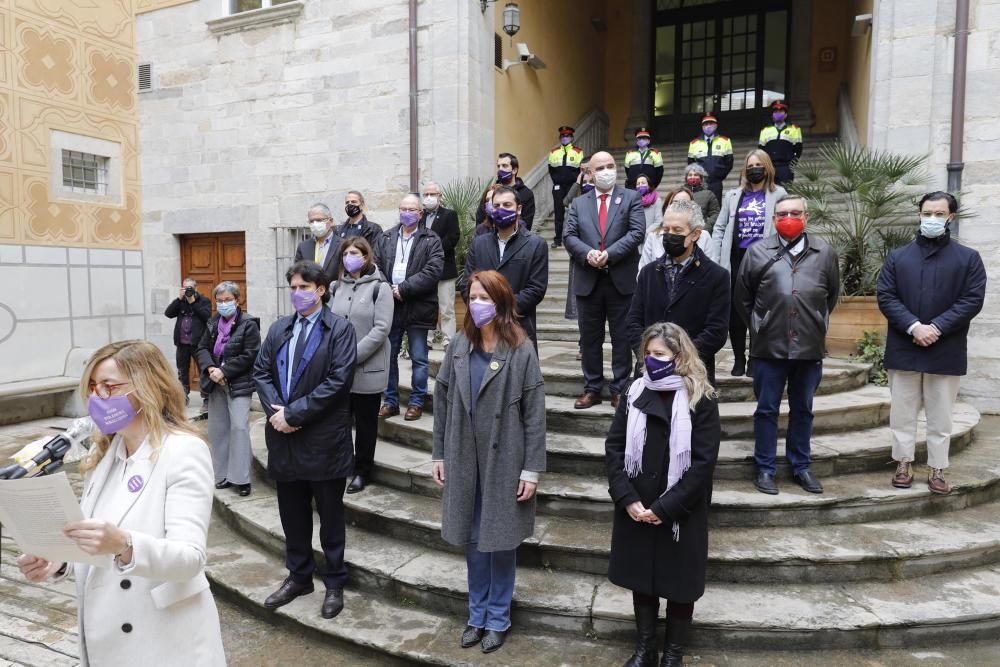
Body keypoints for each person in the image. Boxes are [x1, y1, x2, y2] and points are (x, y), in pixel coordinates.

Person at [17, 340, 226, 666]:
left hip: (163, 642)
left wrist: (126, 545)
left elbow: (190, 558)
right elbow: (92, 540)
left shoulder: (183, 451)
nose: (98, 397)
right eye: (93, 387)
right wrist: (57, 562)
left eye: (110, 386)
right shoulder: (103, 456)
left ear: (148, 387)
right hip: (106, 635)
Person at [431, 270, 546, 654]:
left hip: (505, 461)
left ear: (501, 302)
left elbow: (534, 414)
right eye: (472, 297)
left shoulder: (521, 349)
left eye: (484, 297)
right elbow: (442, 400)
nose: (477, 304)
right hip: (466, 459)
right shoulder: (460, 346)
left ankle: (498, 618)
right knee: (474, 542)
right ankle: (475, 614)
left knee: (501, 543)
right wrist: (440, 453)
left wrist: (531, 469)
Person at [605, 322, 721, 667]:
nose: (652, 360)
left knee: (679, 582)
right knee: (642, 576)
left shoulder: (702, 397)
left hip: (679, 510)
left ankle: (673, 655)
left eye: (660, 354)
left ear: (679, 356)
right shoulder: (634, 391)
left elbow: (703, 463)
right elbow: (614, 447)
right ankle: (644, 650)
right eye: (648, 354)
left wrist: (666, 507)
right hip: (637, 504)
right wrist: (627, 498)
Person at [252, 260, 358, 620]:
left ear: (321, 290)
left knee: (329, 517)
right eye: (293, 288)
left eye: (305, 288)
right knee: (291, 515)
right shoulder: (280, 328)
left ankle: (334, 581)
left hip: (323, 439)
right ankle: (299, 576)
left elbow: (338, 380)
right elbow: (261, 371)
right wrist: (274, 413)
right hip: (284, 439)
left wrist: (293, 414)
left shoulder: (339, 330)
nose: (298, 294)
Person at [877, 191, 987, 495]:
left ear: (950, 217)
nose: (932, 219)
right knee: (902, 412)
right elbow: (886, 295)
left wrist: (936, 327)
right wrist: (913, 326)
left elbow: (972, 300)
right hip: (904, 344)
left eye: (939, 214)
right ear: (919, 214)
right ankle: (903, 462)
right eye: (927, 213)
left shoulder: (968, 258)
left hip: (945, 347)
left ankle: (938, 467)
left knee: (941, 415)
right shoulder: (899, 257)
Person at [735, 194, 839, 496]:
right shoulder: (756, 252)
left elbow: (830, 294)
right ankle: (765, 468)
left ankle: (801, 466)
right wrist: (760, 323)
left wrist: (817, 320)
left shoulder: (824, 252)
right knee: (766, 409)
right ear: (773, 219)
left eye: (795, 212)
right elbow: (743, 298)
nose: (788, 218)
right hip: (769, 346)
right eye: (782, 213)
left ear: (806, 216)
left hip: (808, 346)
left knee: (803, 409)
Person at [563, 151, 646, 409]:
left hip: (620, 280)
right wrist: (588, 254)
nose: (607, 171)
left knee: (622, 337)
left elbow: (637, 232)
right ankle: (592, 388)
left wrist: (609, 254)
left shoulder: (631, 197)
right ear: (590, 173)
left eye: (611, 166)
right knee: (589, 339)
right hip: (588, 280)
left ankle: (620, 389)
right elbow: (569, 235)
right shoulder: (578, 203)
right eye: (600, 167)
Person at [628, 200, 730, 386]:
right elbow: (633, 321)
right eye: (666, 230)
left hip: (693, 375)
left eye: (677, 230)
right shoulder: (648, 273)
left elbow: (716, 331)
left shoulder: (717, 276)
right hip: (649, 372)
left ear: (695, 234)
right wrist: (650, 355)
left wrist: (679, 359)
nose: (670, 235)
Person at [708, 150, 787, 377]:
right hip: (735, 259)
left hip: (765, 260)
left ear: (767, 168)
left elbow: (783, 225)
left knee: (760, 310)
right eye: (750, 165)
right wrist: (716, 256)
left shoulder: (779, 194)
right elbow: (720, 227)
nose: (754, 168)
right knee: (736, 312)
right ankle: (739, 358)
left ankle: (755, 357)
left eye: (759, 164)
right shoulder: (733, 196)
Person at [330, 237, 393, 494]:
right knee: (340, 422)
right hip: (338, 372)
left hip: (366, 369)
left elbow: (381, 330)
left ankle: (362, 470)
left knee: (366, 426)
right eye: (346, 253)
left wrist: (351, 356)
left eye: (354, 253)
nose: (349, 257)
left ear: (366, 256)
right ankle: (343, 464)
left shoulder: (380, 288)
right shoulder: (336, 286)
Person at [376, 193, 445, 421]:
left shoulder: (431, 239)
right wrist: (388, 289)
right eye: (403, 208)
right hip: (391, 306)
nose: (406, 213)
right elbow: (375, 266)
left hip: (418, 305)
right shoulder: (385, 237)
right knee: (389, 355)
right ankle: (391, 401)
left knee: (419, 357)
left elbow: (433, 271)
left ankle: (416, 402)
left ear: (420, 213)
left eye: (411, 209)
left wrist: (403, 289)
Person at [195, 281, 260, 497]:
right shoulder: (212, 322)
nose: (224, 304)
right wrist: (211, 368)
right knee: (218, 430)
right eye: (220, 300)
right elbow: (202, 347)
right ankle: (222, 474)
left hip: (238, 384)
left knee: (239, 428)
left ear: (237, 299)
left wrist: (225, 371)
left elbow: (250, 354)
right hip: (215, 383)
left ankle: (241, 478)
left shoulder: (249, 324)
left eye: (228, 300)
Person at [461, 185, 549, 345]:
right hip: (481, 331)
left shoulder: (536, 244)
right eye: (496, 206)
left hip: (519, 329)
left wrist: (498, 308)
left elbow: (536, 290)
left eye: (507, 205)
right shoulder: (479, 244)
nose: (501, 209)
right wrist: (482, 308)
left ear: (519, 209)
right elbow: (466, 284)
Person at [421, 181, 461, 347]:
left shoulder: (449, 215)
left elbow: (453, 237)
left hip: (445, 268)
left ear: (439, 196)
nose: (429, 197)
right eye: (426, 194)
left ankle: (448, 339)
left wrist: (434, 250)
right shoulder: (419, 216)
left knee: (446, 307)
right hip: (424, 269)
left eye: (433, 194)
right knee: (427, 306)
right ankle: (427, 339)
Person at [562, 162, 595, 357]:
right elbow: (566, 201)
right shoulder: (576, 204)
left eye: (592, 179)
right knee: (583, 309)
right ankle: (584, 345)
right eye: (586, 180)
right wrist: (578, 180)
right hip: (581, 260)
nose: (589, 182)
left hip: (602, 258)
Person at [163, 276, 211, 409]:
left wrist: (193, 302)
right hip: (182, 343)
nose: (187, 291)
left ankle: (206, 398)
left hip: (198, 343)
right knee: (182, 371)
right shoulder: (180, 302)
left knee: (204, 370)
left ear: (195, 288)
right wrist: (179, 299)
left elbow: (206, 317)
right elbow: (168, 313)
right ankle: (183, 397)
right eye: (185, 288)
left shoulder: (204, 301)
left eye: (189, 288)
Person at [638, 189, 711, 272]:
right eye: (675, 203)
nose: (679, 208)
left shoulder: (704, 236)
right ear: (667, 206)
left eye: (685, 204)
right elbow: (642, 273)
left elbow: (710, 270)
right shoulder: (653, 236)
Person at [475, 153, 536, 230]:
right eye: (498, 166)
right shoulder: (490, 192)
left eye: (504, 166)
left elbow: (527, 224)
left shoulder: (526, 194)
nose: (500, 169)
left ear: (514, 170)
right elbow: (480, 218)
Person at [548, 125, 584, 248]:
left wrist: (576, 184)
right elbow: (551, 170)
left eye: (567, 135)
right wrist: (556, 182)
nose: (565, 138)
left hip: (572, 187)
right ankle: (558, 240)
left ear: (572, 137)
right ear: (560, 137)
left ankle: (573, 238)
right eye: (563, 136)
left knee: (574, 212)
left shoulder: (578, 152)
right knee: (558, 214)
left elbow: (581, 170)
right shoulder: (553, 152)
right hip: (558, 187)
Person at [687, 113, 733, 202]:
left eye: (711, 123)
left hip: (716, 183)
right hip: (699, 183)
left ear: (716, 125)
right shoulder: (694, 143)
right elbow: (691, 164)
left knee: (716, 208)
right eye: (706, 124)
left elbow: (729, 162)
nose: (708, 126)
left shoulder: (725, 141)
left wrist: (718, 176)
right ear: (702, 126)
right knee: (699, 208)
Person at [758, 100, 802, 185]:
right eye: (775, 111)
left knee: (785, 194)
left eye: (781, 111)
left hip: (786, 168)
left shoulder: (795, 129)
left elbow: (798, 150)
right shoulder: (765, 130)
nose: (778, 113)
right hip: (769, 167)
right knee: (769, 194)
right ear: (772, 114)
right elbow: (760, 151)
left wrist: (791, 166)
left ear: (786, 114)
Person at [295, 203, 340, 280]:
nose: (315, 224)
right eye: (311, 221)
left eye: (319, 220)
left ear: (331, 221)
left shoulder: (343, 245)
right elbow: (298, 274)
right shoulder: (303, 247)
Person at [683, 163, 721, 233]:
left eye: (696, 175)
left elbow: (715, 214)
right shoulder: (680, 193)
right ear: (686, 178)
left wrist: (706, 228)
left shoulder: (708, 194)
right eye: (690, 175)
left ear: (701, 178)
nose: (692, 177)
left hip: (701, 232)